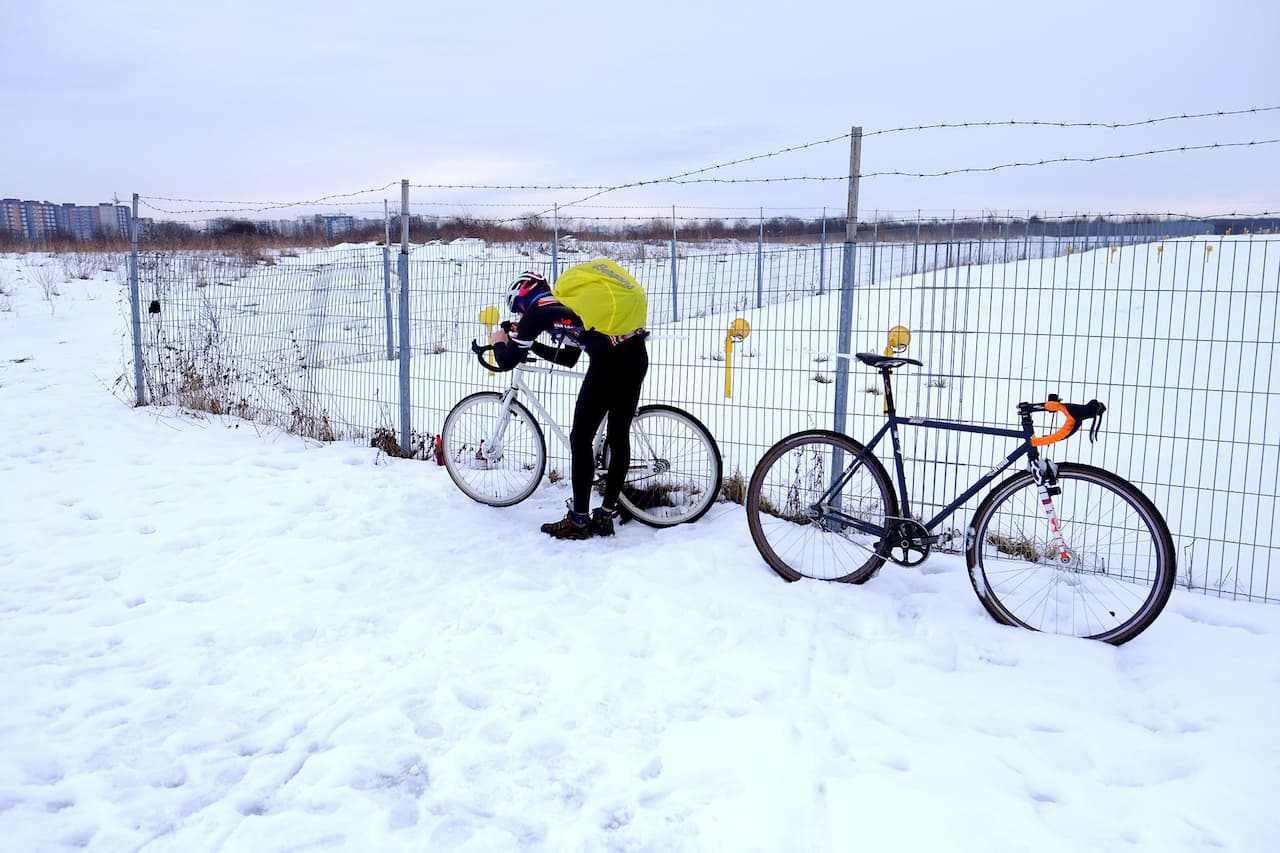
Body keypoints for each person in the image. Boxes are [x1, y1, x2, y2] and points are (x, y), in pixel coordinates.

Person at [489, 270, 649, 540]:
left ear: (524, 297)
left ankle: (579, 520)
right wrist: (532, 344)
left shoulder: (538, 309)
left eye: (518, 308)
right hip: (635, 355)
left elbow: (506, 362)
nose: (520, 315)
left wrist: (499, 343)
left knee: (580, 438)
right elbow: (569, 359)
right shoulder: (568, 306)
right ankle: (606, 515)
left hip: (607, 367)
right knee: (618, 435)